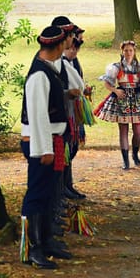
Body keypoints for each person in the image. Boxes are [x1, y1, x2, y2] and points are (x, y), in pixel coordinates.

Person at [20, 26, 80, 269]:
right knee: (36, 194)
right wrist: (44, 149)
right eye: (65, 40)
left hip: (53, 140)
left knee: (48, 193)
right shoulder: (39, 75)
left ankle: (46, 241)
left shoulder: (51, 70)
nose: (69, 43)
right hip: (40, 144)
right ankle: (32, 248)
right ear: (56, 46)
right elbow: (37, 116)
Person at [94, 40, 140, 169]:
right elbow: (107, 83)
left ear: (134, 51)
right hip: (122, 99)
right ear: (122, 51)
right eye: (126, 50)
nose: (128, 53)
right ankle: (125, 160)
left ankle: (135, 154)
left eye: (130, 50)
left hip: (138, 98)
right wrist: (116, 91)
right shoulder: (116, 67)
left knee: (138, 131)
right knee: (123, 130)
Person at [53, 16, 87, 200]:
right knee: (63, 151)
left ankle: (67, 185)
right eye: (72, 36)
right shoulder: (58, 61)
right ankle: (61, 190)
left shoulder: (71, 59)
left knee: (71, 149)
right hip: (62, 116)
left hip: (73, 112)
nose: (75, 40)